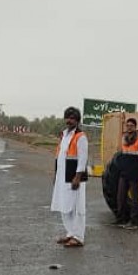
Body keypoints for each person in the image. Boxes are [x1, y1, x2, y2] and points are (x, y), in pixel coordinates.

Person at [51, 106, 89, 247]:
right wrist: (56, 176)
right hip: (62, 176)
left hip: (74, 176)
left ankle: (78, 237)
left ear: (77, 121)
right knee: (64, 205)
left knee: (77, 207)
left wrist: (77, 177)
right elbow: (59, 156)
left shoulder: (81, 136)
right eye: (68, 117)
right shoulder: (64, 135)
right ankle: (70, 233)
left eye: (72, 118)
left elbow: (83, 158)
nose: (69, 120)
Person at [115, 117, 138, 230]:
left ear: (135, 127)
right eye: (127, 125)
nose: (129, 127)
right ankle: (121, 220)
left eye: (131, 126)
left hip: (135, 172)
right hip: (124, 171)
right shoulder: (123, 138)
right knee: (120, 196)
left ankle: (134, 222)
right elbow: (122, 153)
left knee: (134, 199)